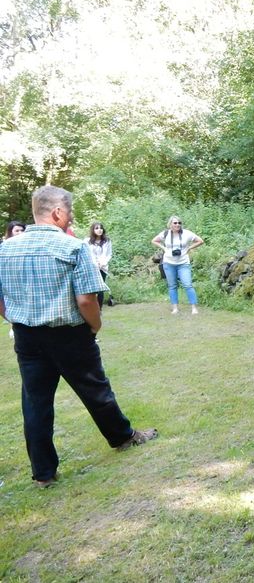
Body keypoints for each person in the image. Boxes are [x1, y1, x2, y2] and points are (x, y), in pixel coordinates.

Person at [0, 186, 157, 488]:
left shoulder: (6, 249)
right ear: (57, 212)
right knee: (96, 390)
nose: (71, 217)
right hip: (69, 335)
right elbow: (87, 300)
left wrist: (15, 318)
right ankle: (123, 438)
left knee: (35, 403)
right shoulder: (73, 247)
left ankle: (44, 474)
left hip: (26, 336)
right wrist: (95, 326)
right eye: (70, 211)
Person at [151, 216, 204, 315]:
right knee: (172, 286)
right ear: (170, 224)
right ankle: (175, 308)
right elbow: (153, 240)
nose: (177, 225)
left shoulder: (187, 233)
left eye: (179, 223)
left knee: (187, 284)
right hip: (168, 263)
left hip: (183, 263)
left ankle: (194, 308)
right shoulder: (165, 233)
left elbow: (200, 241)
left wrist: (189, 248)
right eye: (175, 223)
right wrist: (164, 248)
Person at [85, 222, 112, 309]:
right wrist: (94, 263)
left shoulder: (107, 241)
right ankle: (90, 308)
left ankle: (99, 309)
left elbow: (108, 254)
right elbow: (87, 254)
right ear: (93, 230)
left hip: (103, 268)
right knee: (92, 288)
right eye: (96, 228)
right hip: (92, 267)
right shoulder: (87, 241)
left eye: (101, 228)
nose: (99, 230)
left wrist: (102, 263)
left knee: (101, 288)